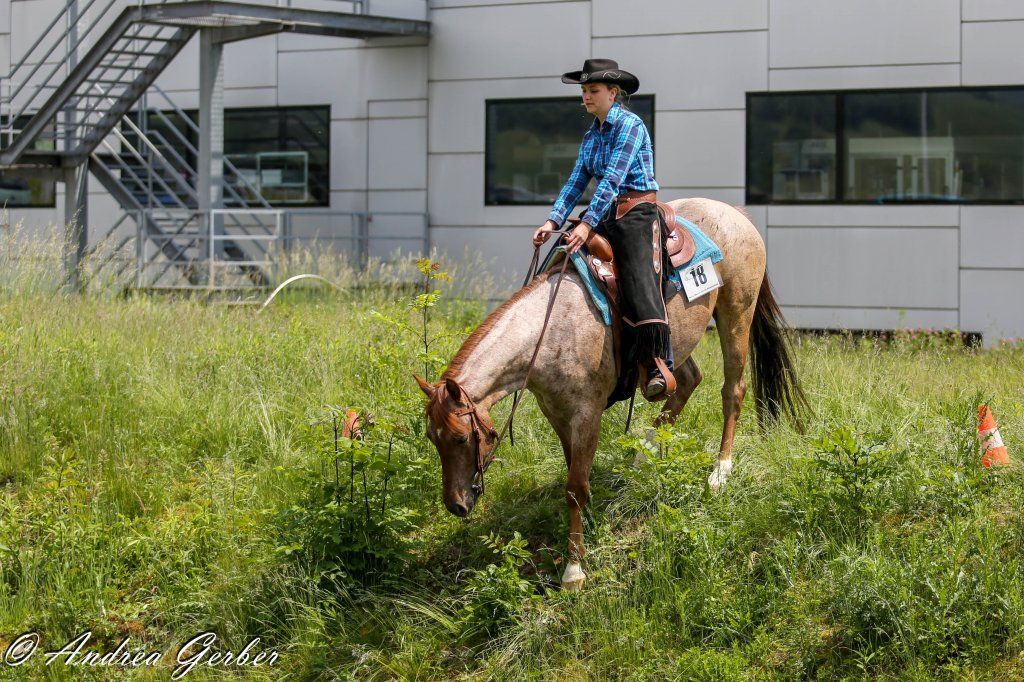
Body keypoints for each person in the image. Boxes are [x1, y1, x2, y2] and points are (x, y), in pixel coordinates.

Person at [532, 58, 673, 402]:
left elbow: (611, 179)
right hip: (608, 210)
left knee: (639, 276)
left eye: (593, 90)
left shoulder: (631, 125)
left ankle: (658, 362)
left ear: (613, 93)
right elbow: (576, 180)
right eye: (583, 91)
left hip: (636, 210)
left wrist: (588, 224)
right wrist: (553, 221)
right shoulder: (590, 135)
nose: (586, 96)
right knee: (558, 257)